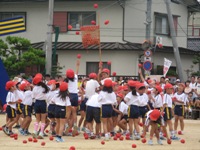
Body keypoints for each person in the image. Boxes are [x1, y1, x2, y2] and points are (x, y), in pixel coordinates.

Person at [65, 59, 80, 136]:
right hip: (75, 96)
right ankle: (75, 124)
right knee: (74, 112)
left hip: (69, 96)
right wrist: (77, 64)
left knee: (68, 112)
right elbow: (76, 72)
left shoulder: (67, 80)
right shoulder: (76, 77)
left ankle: (65, 125)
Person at [32, 74, 49, 139]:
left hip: (37, 102)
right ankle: (41, 133)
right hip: (43, 103)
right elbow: (47, 96)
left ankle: (35, 131)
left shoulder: (35, 88)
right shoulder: (45, 87)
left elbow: (33, 97)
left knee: (37, 119)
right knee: (43, 119)